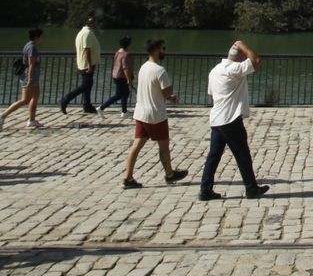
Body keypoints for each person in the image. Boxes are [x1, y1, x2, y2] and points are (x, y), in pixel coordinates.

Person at [200, 40, 269, 200]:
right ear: (239, 57)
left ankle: (205, 190)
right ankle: (251, 189)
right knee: (242, 155)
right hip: (230, 119)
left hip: (216, 119)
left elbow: (211, 94)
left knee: (213, 156)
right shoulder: (234, 69)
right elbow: (256, 60)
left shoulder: (215, 70)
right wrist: (242, 45)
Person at [123, 39, 188, 189]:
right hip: (156, 115)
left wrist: (167, 95)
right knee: (164, 146)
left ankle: (128, 177)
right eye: (163, 48)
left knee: (136, 145)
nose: (164, 51)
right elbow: (167, 91)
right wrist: (171, 96)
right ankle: (170, 174)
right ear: (157, 50)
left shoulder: (143, 68)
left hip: (141, 113)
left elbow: (152, 89)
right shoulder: (160, 71)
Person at [0, 28, 45, 131]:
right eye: (41, 37)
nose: (42, 39)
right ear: (37, 37)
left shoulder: (29, 45)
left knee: (36, 95)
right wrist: (30, 79)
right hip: (30, 76)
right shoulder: (32, 48)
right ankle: (3, 116)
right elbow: (31, 64)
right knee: (24, 100)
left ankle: (32, 120)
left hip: (33, 77)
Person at [61, 17, 101, 115]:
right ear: (92, 24)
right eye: (96, 23)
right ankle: (65, 99)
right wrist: (90, 65)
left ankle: (87, 105)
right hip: (87, 65)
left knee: (87, 85)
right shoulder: (87, 33)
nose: (97, 25)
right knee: (85, 85)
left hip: (83, 63)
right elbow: (87, 49)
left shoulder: (82, 32)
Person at [100, 36, 135, 117]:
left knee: (125, 93)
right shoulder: (125, 55)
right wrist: (129, 79)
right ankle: (102, 107)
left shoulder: (117, 53)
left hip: (116, 76)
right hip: (121, 77)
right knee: (119, 95)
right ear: (128, 45)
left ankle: (124, 111)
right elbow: (125, 68)